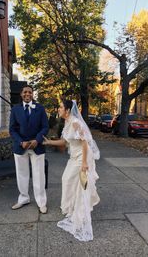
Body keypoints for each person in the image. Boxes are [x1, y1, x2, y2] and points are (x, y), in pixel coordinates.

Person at [43, 100, 100, 241]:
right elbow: (65, 141)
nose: (58, 109)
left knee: (78, 185)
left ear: (68, 110)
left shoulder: (75, 123)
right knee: (67, 180)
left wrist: (85, 163)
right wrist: (49, 142)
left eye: (61, 107)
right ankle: (72, 208)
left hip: (82, 158)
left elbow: (85, 142)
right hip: (74, 157)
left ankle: (79, 214)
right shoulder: (67, 123)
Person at [9, 85, 49, 214]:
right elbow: (12, 129)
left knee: (39, 175)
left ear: (33, 94)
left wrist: (37, 140)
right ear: (21, 94)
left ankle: (41, 202)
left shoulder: (40, 108)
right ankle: (24, 198)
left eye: (30, 92)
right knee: (22, 175)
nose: (28, 94)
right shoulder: (15, 109)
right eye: (25, 92)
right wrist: (21, 142)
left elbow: (45, 127)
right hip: (21, 147)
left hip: (37, 147)